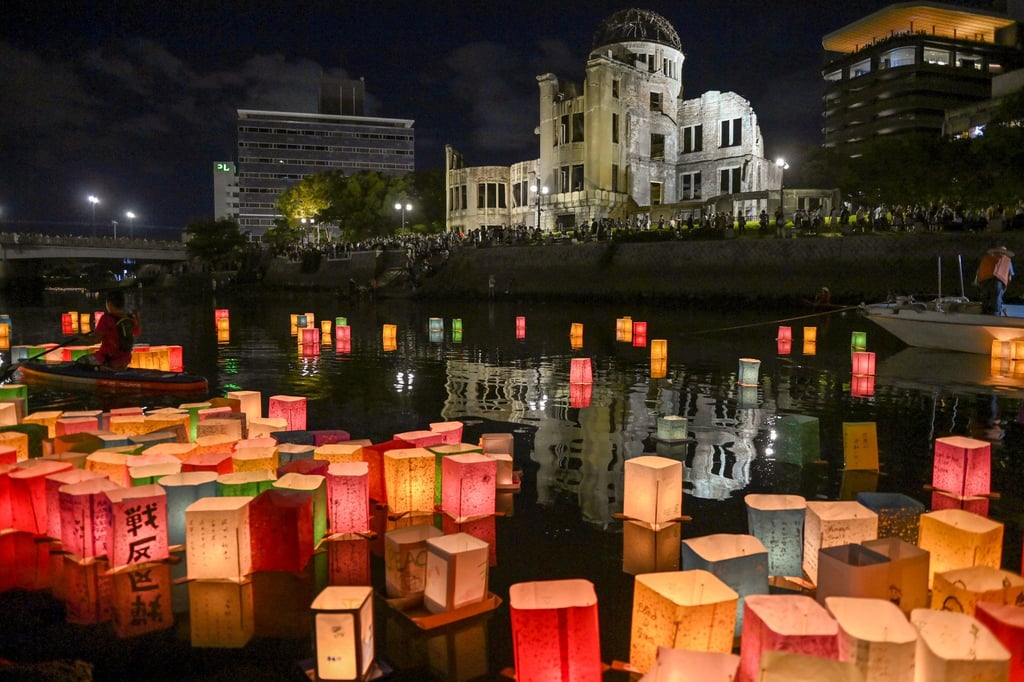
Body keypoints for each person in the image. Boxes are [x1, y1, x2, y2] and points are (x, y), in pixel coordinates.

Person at [76, 289, 140, 369]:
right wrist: (137, 318)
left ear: (109, 303)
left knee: (79, 362)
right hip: (125, 359)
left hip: (107, 359)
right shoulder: (130, 318)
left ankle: (102, 370)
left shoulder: (107, 319)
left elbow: (95, 340)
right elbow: (137, 332)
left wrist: (80, 336)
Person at [976, 246, 1015, 316]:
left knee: (986, 300)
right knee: (996, 301)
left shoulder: (986, 259)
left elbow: (978, 273)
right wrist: (1005, 287)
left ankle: (984, 315)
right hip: (998, 282)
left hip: (984, 281)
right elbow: (1010, 277)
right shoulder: (1007, 261)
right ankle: (995, 316)